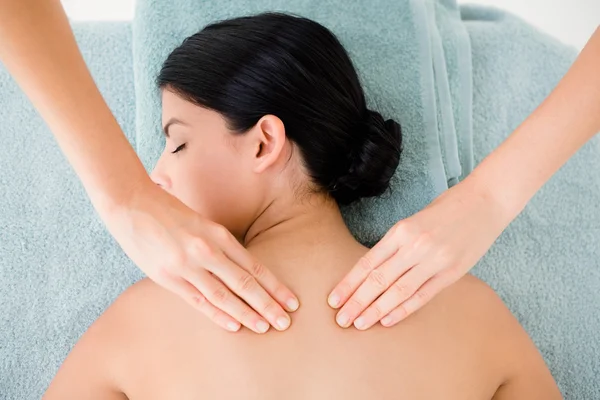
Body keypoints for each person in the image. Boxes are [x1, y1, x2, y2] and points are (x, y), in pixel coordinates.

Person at [43, 13, 560, 399]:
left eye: (177, 142)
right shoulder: (472, 313)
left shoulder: (145, 318)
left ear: (265, 141)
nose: (156, 176)